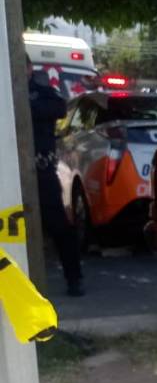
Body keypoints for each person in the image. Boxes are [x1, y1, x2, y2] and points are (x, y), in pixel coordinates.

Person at [28, 56, 83, 296]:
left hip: (41, 171)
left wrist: (27, 107)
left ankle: (74, 279)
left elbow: (60, 108)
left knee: (59, 227)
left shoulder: (41, 92)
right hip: (10, 175)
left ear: (29, 68)